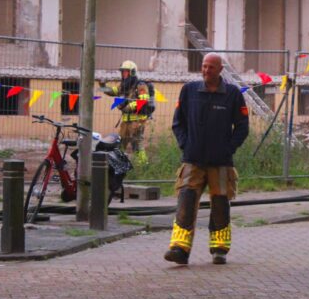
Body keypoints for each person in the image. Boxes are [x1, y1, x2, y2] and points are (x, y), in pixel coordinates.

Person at [164, 53, 249, 265]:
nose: (206, 70)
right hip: (192, 159)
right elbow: (178, 123)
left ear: (220, 70)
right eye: (203, 66)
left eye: (211, 67)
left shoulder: (232, 94)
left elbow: (242, 127)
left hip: (220, 162)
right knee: (186, 199)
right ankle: (179, 248)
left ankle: (219, 248)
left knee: (220, 203)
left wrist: (228, 149)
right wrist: (185, 144)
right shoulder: (189, 91)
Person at [99, 60, 152, 165]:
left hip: (137, 121)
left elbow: (144, 100)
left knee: (136, 145)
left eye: (126, 72)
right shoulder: (123, 85)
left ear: (132, 72)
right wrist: (102, 85)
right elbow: (112, 91)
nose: (123, 74)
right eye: (122, 72)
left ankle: (143, 165)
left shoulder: (140, 85)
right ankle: (119, 166)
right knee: (120, 144)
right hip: (125, 121)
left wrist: (129, 107)